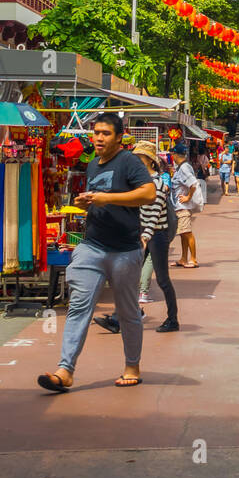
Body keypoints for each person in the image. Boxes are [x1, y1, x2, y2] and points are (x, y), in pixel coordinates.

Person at [37, 113, 155, 393]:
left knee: (127, 312)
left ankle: (132, 366)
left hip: (125, 250)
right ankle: (64, 371)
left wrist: (106, 198)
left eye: (105, 133)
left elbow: (148, 194)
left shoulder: (128, 161)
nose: (99, 138)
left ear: (118, 137)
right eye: (96, 132)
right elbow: (101, 200)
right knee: (79, 306)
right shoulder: (92, 165)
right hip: (92, 246)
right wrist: (87, 202)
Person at [93, 142, 179, 334]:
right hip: (141, 234)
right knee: (128, 277)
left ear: (149, 161)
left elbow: (154, 214)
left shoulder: (157, 184)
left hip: (156, 235)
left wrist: (145, 237)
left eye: (139, 158)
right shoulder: (137, 183)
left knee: (163, 279)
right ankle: (120, 317)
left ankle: (173, 319)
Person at [171, 141, 201, 267]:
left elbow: (193, 184)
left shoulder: (184, 168)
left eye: (172, 154)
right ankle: (183, 258)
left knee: (187, 232)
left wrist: (188, 197)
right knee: (183, 233)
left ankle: (193, 259)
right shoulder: (181, 167)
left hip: (183, 206)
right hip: (179, 206)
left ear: (176, 154)